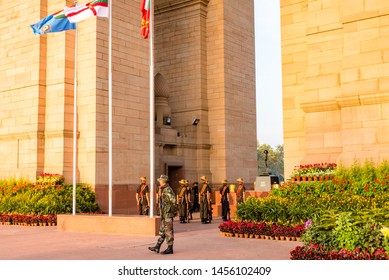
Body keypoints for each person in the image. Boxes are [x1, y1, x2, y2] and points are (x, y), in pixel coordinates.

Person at [148, 174, 177, 255]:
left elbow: (173, 201)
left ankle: (170, 248)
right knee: (163, 230)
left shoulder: (168, 190)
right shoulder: (163, 189)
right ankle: (157, 246)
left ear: (163, 181)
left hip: (167, 213)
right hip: (164, 213)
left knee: (168, 231)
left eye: (160, 181)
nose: (159, 182)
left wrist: (170, 212)